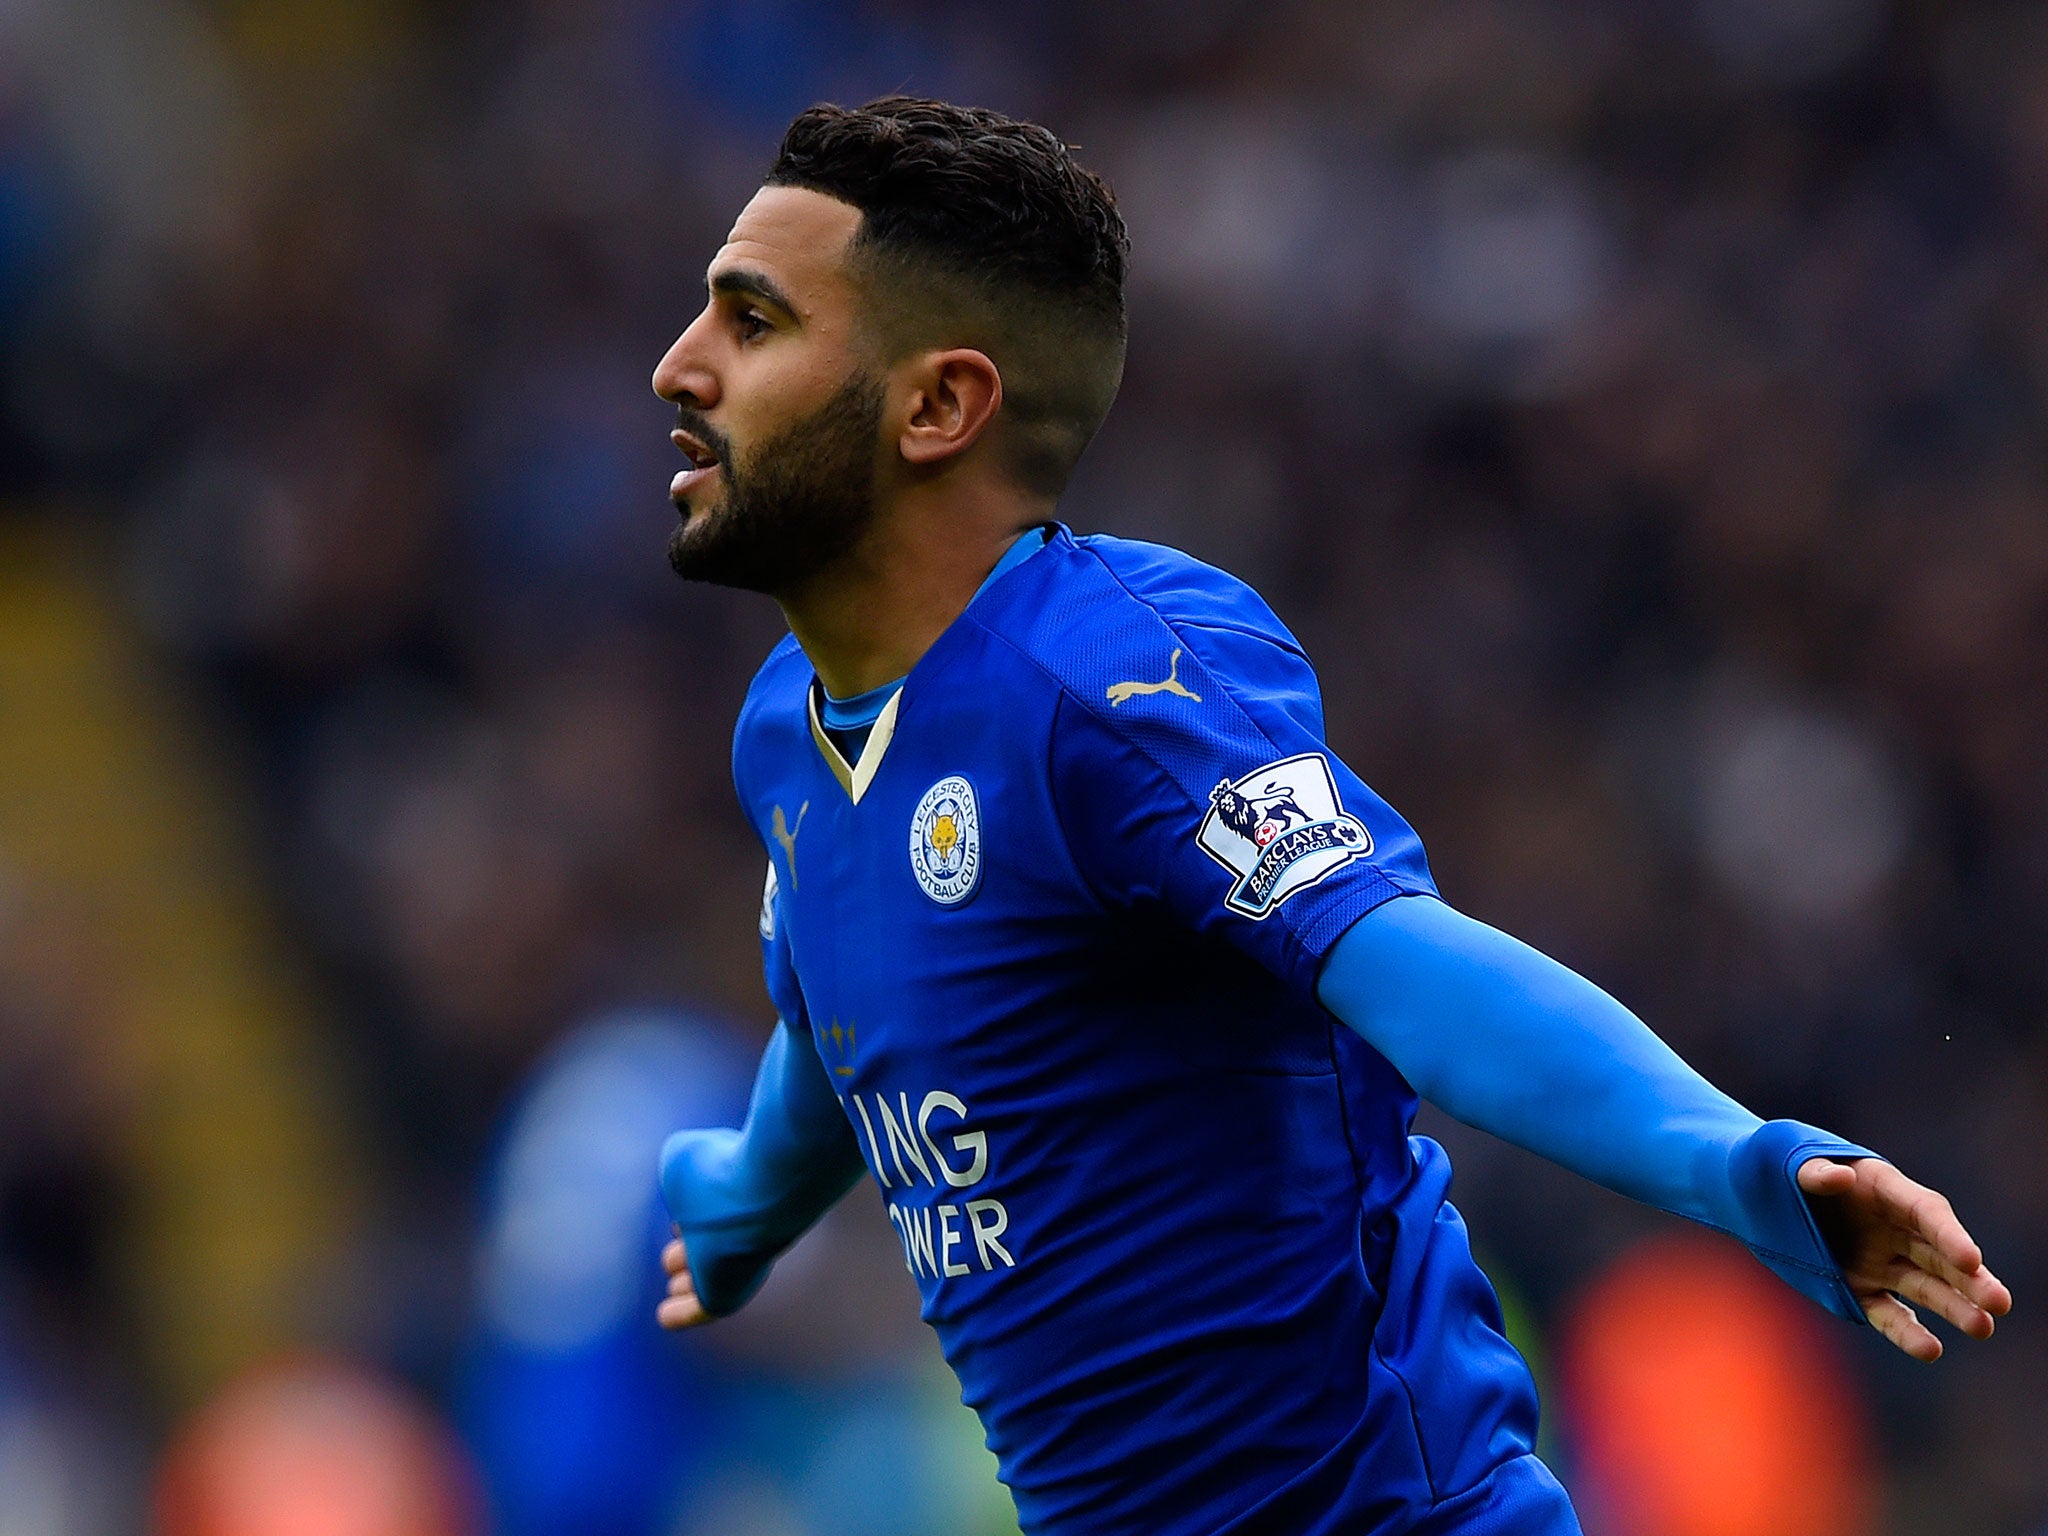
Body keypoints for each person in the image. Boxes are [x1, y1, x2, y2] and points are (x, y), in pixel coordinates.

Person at [647, 97, 2010, 1536]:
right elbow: (846, 1009)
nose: (681, 366)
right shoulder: (787, 736)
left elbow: (1406, 965)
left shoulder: (1108, 678)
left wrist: (1744, 1164)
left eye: (752, 320)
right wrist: (745, 1197)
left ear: (938, 406)